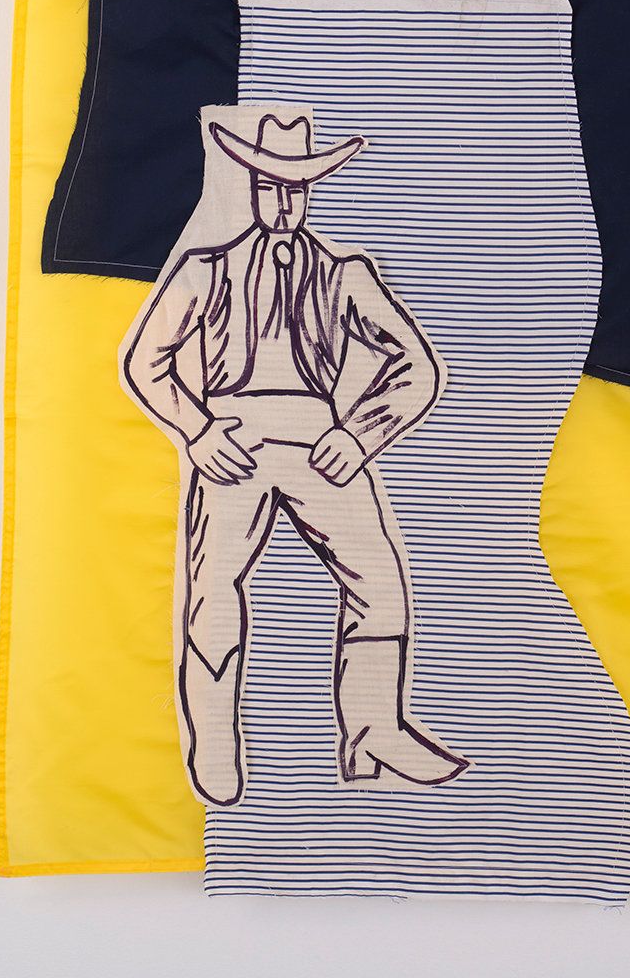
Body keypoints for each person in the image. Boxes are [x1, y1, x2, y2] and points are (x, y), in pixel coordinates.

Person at [122, 111, 468, 805]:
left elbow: (417, 368)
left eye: (296, 189)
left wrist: (359, 433)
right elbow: (145, 361)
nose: (283, 203)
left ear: (310, 193)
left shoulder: (346, 274)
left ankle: (373, 731)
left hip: (320, 438)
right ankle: (212, 737)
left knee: (380, 578)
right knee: (212, 585)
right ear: (251, 188)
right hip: (233, 438)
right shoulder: (205, 270)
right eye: (270, 187)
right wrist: (198, 430)